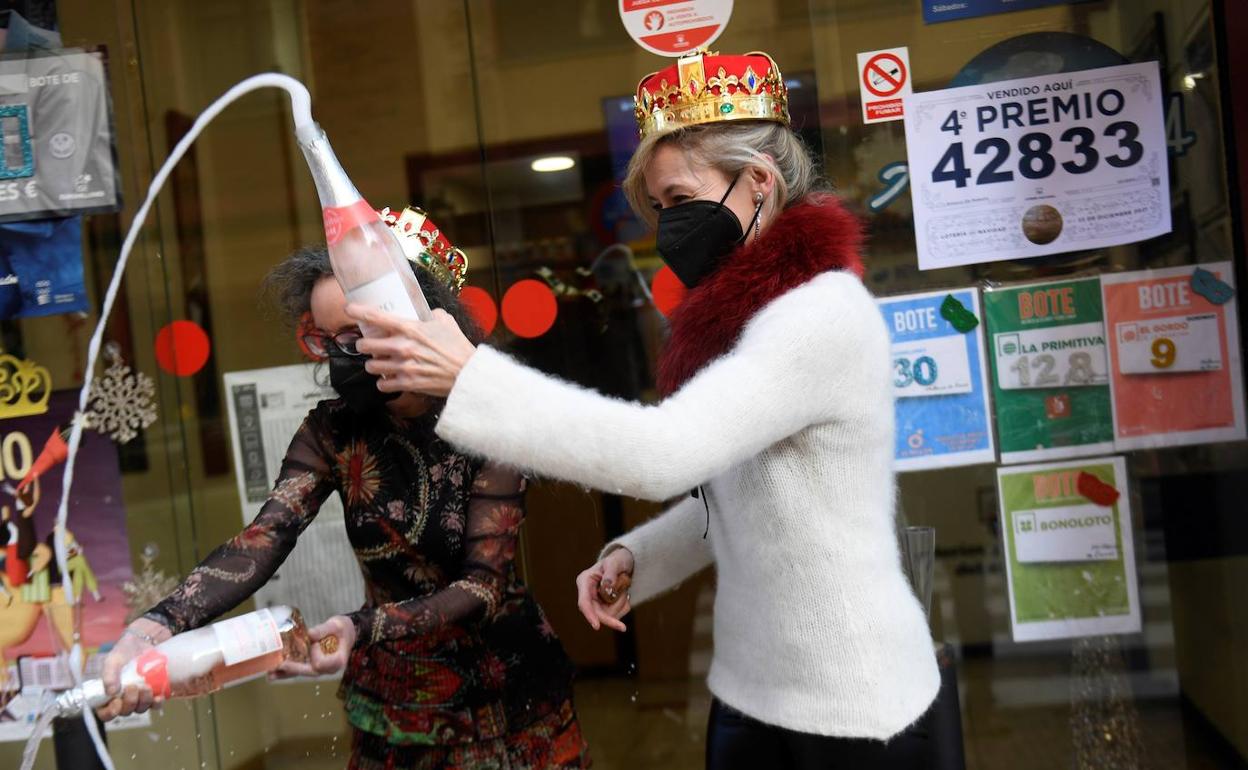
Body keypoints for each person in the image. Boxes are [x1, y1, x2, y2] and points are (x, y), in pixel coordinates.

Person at [346, 52, 941, 769]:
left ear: (759, 182)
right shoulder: (755, 318)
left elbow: (666, 454)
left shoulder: (817, 317)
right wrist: (640, 556)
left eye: (681, 200)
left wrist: (474, 377)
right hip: (757, 692)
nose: (668, 227)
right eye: (658, 209)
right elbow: (744, 495)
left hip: (852, 705)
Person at [98, 207, 590, 770]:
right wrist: (158, 623)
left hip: (506, 701)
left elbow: (480, 588)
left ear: (418, 321)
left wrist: (357, 629)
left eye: (356, 336)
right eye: (326, 340)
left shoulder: (486, 419)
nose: (341, 357)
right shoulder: (334, 429)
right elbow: (265, 537)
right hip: (390, 705)